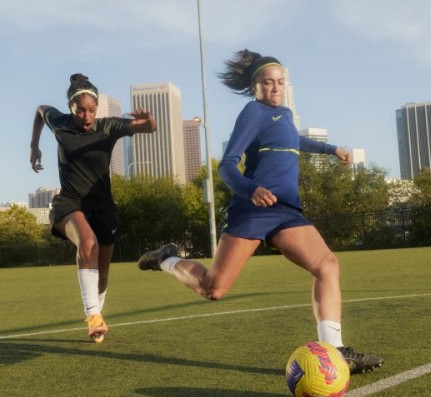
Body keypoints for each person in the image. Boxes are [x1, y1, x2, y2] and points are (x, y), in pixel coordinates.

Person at [138, 50, 383, 373]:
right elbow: (227, 165)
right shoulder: (253, 112)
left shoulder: (284, 115)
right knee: (214, 289)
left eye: (280, 82)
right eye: (268, 83)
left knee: (327, 265)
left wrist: (331, 149)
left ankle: (335, 352)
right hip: (252, 210)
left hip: (286, 211)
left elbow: (295, 141)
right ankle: (166, 258)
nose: (275, 88)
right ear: (255, 86)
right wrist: (251, 190)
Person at [30, 73, 156, 343]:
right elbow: (41, 111)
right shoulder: (60, 123)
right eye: (80, 111)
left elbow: (149, 128)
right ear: (70, 108)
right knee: (88, 244)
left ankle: (96, 311)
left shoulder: (108, 127)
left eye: (91, 110)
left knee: (102, 268)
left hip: (103, 206)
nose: (86, 116)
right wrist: (34, 146)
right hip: (70, 202)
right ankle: (93, 316)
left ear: (97, 109)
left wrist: (150, 119)